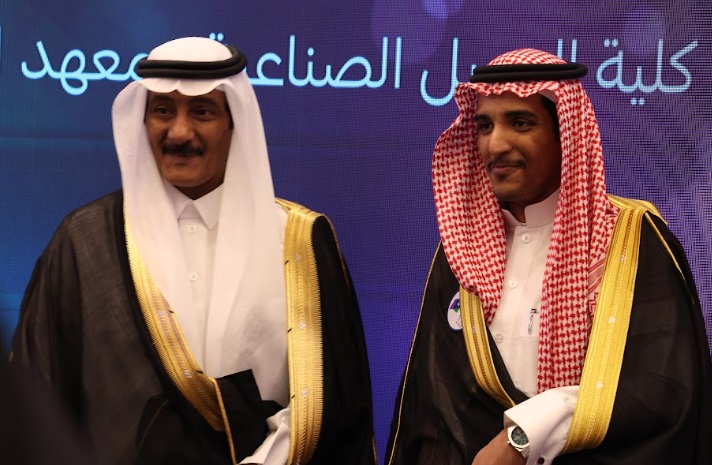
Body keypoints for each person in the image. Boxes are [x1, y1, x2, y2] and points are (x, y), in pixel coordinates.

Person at [12, 37, 377, 465]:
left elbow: (332, 405)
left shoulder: (299, 242)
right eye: (162, 110)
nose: (180, 132)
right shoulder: (83, 242)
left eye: (202, 111)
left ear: (234, 124)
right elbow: (37, 406)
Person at [386, 48, 712, 465]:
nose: (495, 144)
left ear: (566, 136)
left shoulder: (631, 238)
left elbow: (661, 391)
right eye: (484, 126)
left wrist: (527, 434)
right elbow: (429, 405)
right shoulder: (461, 246)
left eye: (520, 123)